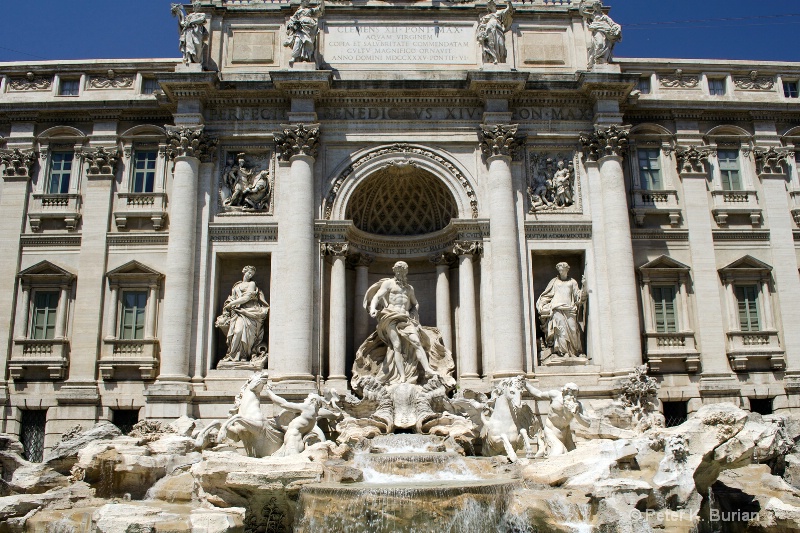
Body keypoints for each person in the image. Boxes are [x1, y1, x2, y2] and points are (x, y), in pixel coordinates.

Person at [353, 261, 455, 388]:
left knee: (416, 342)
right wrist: (373, 308)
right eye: (398, 271)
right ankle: (401, 376)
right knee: (396, 346)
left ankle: (427, 369)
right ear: (394, 271)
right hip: (390, 316)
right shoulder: (388, 283)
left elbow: (415, 303)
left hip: (405, 318)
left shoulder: (409, 288)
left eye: (402, 271)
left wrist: (413, 311)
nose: (400, 273)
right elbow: (377, 297)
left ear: (406, 272)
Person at [263, 387, 338, 457]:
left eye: (308, 398)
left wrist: (269, 392)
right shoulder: (313, 414)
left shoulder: (307, 408)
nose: (305, 399)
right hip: (295, 441)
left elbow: (284, 404)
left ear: (313, 400)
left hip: (293, 441)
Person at [216, 266, 270, 362]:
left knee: (241, 332)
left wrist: (232, 303)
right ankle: (233, 356)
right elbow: (232, 298)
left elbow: (246, 298)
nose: (250, 275)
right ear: (244, 272)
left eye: (252, 274)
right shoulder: (236, 286)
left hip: (249, 311)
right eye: (249, 273)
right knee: (236, 332)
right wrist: (229, 305)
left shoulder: (252, 284)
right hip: (236, 313)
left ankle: (243, 356)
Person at [524, 382, 591, 457]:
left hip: (565, 433)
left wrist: (577, 414)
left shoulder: (578, 405)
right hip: (551, 430)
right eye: (568, 393)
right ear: (563, 392)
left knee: (574, 455)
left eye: (574, 394)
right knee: (559, 452)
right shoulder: (555, 395)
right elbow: (539, 394)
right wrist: (526, 384)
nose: (571, 396)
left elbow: (588, 423)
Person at [536, 262, 587, 358]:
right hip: (557, 308)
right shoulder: (554, 282)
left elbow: (579, 296)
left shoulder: (573, 282)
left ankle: (574, 351)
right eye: (559, 269)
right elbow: (546, 295)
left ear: (567, 270)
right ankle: (564, 352)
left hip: (570, 309)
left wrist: (584, 286)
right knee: (560, 330)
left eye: (563, 269)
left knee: (573, 329)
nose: (561, 271)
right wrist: (542, 304)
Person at [580, 1, 621, 67]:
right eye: (595, 6)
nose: (596, 7)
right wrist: (580, 4)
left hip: (605, 30)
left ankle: (601, 60)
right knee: (599, 44)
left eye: (598, 6)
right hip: (597, 29)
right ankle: (598, 58)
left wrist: (617, 27)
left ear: (600, 7)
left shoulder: (604, 17)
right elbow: (582, 13)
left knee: (603, 44)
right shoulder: (592, 15)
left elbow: (612, 24)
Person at [284, 0, 325, 64]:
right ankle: (294, 57)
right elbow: (292, 20)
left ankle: (306, 57)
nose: (308, 2)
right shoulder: (298, 11)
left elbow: (319, 10)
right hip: (300, 28)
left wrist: (321, 2)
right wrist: (292, 25)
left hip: (309, 28)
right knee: (297, 41)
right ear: (302, 2)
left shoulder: (310, 10)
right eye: (306, 1)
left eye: (308, 1)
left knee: (308, 43)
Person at [477, 0, 514, 64]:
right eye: (489, 5)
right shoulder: (486, 17)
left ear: (494, 5)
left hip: (498, 31)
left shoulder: (499, 13)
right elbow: (481, 27)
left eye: (492, 4)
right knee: (491, 44)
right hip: (489, 31)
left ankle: (501, 61)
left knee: (501, 45)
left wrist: (509, 3)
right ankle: (493, 59)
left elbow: (508, 10)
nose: (491, 6)